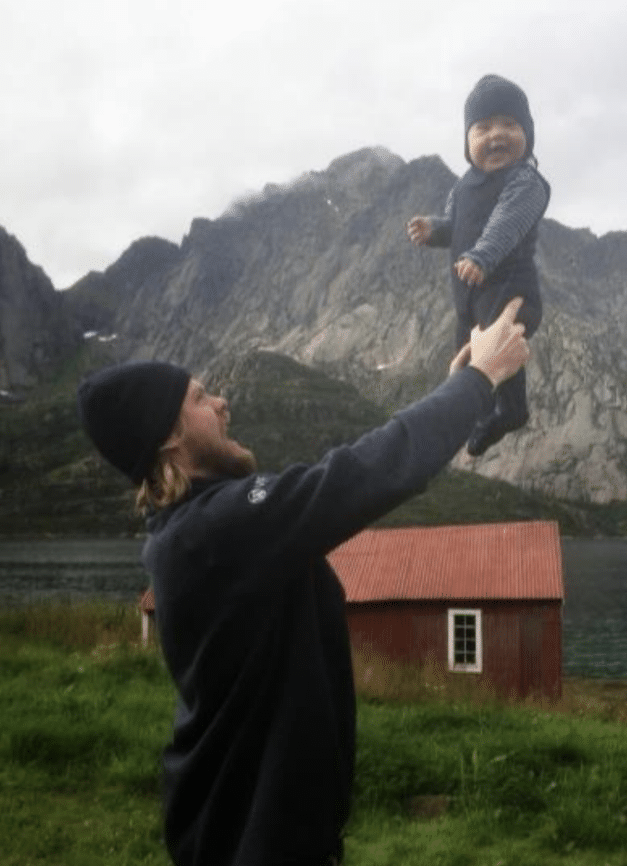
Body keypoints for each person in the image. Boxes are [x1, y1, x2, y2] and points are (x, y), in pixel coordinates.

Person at [76, 299, 528, 866]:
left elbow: (362, 473)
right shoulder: (215, 531)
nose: (223, 403)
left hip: (244, 826)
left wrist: (455, 389)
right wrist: (479, 382)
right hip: (257, 839)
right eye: (199, 398)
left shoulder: (201, 531)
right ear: (168, 437)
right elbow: (360, 474)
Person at [407, 73, 551, 457]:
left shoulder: (526, 181)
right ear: (467, 143)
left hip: (508, 291)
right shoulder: (462, 187)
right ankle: (479, 416)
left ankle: (513, 410)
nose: (496, 135)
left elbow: (508, 222)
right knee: (465, 363)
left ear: (527, 135)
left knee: (493, 342)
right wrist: (434, 230)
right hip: (469, 298)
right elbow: (458, 227)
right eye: (482, 127)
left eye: (509, 124)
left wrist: (483, 257)